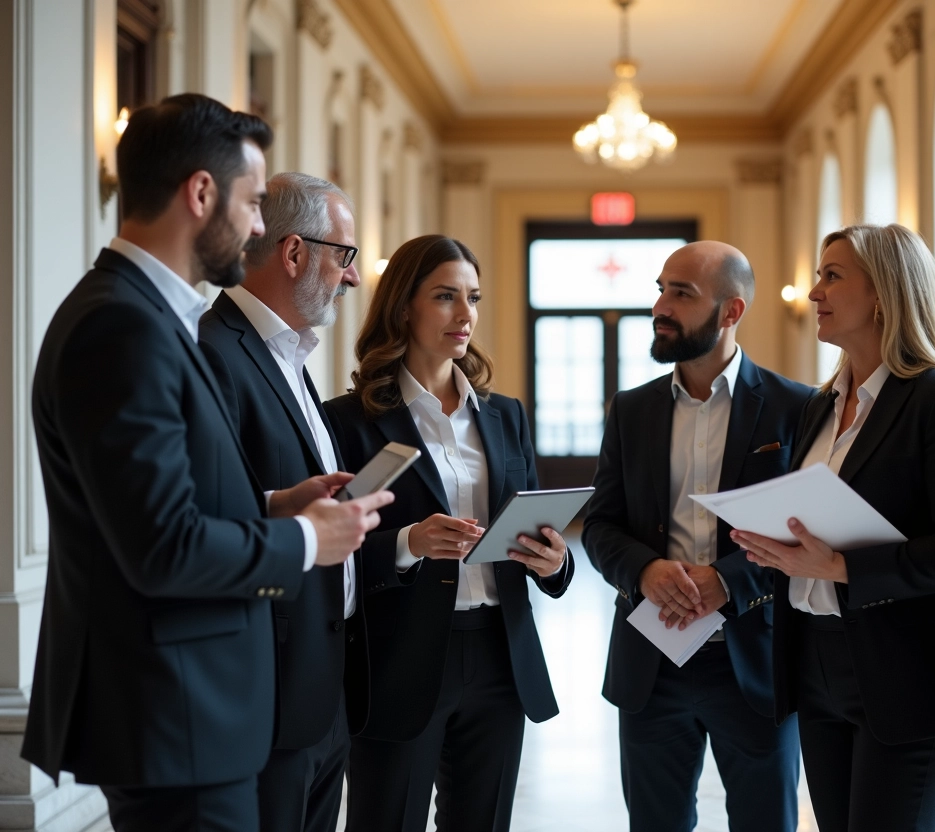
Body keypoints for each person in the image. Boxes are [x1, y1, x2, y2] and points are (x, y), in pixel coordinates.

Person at [20, 94, 391, 832]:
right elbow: (161, 548)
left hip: (191, 712)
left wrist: (274, 504)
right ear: (200, 193)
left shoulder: (148, 317)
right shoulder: (121, 326)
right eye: (253, 203)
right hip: (174, 711)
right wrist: (312, 540)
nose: (258, 226)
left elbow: (157, 505)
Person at [731, 224, 935, 831]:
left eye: (832, 276)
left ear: (883, 294)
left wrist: (840, 567)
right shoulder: (820, 405)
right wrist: (777, 546)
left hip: (901, 670)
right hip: (814, 662)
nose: (814, 291)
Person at [324, 234, 574, 832]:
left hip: (498, 652)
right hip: (398, 656)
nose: (466, 315)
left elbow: (540, 527)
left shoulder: (505, 414)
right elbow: (331, 550)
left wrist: (554, 561)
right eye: (445, 297)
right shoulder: (349, 420)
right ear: (404, 306)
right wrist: (409, 543)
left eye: (473, 297)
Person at [582, 241, 810, 832]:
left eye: (681, 294)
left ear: (731, 312)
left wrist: (727, 582)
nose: (661, 305)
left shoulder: (797, 408)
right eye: (660, 289)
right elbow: (602, 524)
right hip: (650, 662)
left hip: (756, 660)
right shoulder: (632, 410)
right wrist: (644, 572)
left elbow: (805, 532)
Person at [197, 172, 365, 832]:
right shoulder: (214, 351)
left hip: (323, 684)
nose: (350, 277)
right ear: (294, 253)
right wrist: (280, 505)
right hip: (266, 686)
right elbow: (202, 513)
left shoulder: (291, 354)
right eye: (343, 255)